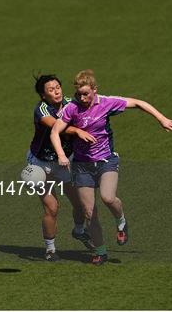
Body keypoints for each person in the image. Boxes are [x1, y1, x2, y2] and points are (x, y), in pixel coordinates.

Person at [50, 69, 172, 265]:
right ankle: (100, 251)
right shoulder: (72, 108)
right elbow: (54, 132)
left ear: (95, 90)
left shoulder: (107, 102)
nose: (82, 98)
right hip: (82, 166)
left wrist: (161, 119)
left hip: (106, 161)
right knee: (89, 212)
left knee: (108, 197)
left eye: (85, 93)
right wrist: (61, 154)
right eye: (78, 94)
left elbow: (138, 103)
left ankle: (121, 221)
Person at [28, 74, 102, 261]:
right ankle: (50, 249)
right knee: (52, 207)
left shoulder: (72, 103)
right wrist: (77, 130)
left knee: (79, 204)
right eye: (51, 89)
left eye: (58, 87)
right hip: (40, 163)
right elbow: (57, 127)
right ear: (43, 96)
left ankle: (78, 231)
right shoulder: (42, 110)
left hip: (64, 162)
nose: (56, 91)